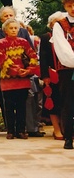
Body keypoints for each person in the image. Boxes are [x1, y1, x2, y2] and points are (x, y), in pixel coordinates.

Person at [0, 18, 39, 140]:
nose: (14, 30)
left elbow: (33, 56)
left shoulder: (24, 42)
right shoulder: (1, 43)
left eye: (16, 28)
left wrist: (29, 70)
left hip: (23, 81)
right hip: (7, 80)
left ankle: (21, 130)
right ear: (5, 30)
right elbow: (1, 60)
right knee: (9, 106)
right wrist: (18, 70)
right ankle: (10, 131)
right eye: (11, 28)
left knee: (22, 106)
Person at [51, 0, 74, 149]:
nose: (73, 8)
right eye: (69, 5)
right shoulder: (59, 25)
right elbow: (62, 49)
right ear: (65, 6)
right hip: (67, 69)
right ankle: (68, 138)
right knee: (68, 104)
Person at [39, 11, 64, 141]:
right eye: (57, 22)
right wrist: (45, 76)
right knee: (53, 101)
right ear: (51, 24)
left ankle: (66, 127)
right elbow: (43, 58)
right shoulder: (46, 37)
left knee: (67, 102)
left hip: (67, 73)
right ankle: (56, 129)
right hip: (52, 74)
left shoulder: (68, 36)